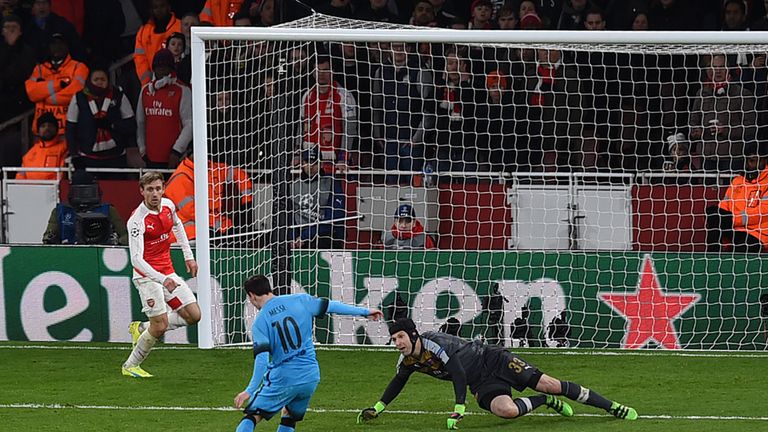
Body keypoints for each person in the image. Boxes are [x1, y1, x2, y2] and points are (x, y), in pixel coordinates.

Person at [358, 319, 638, 429]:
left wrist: (458, 408)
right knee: (506, 411)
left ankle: (613, 407)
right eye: (394, 339)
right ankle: (543, 402)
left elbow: (456, 372)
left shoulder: (433, 343)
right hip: (481, 381)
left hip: (494, 359)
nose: (398, 343)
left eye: (400, 337)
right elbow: (398, 381)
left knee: (552, 384)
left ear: (414, 335)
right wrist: (378, 408)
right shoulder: (407, 360)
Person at [233, 274, 383, 432]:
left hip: (284, 377)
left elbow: (262, 361)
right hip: (310, 377)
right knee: (289, 415)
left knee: (253, 415)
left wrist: (249, 390)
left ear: (251, 295)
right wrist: (365, 311)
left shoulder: (260, 322)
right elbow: (332, 306)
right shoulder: (300, 300)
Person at [121, 171, 198, 378]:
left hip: (167, 271)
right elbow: (136, 260)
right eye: (149, 190)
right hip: (146, 276)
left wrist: (188, 256)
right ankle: (130, 365)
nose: (155, 193)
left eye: (158, 188)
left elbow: (178, 225)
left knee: (194, 315)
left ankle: (142, 328)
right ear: (141, 191)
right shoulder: (137, 221)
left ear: (163, 189)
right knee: (161, 325)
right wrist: (163, 279)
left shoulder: (168, 206)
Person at [65, 64, 142, 171]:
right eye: (96, 79)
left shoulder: (118, 95)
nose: (99, 82)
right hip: (87, 157)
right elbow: (70, 128)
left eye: (103, 79)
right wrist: (74, 155)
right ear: (89, 81)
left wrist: (112, 125)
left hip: (116, 157)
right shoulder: (79, 97)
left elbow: (131, 125)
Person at [706, 142, 768, 253]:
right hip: (735, 228)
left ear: (764, 160)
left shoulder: (766, 182)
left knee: (741, 250)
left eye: (755, 160)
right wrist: (725, 217)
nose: (751, 164)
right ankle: (711, 256)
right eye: (749, 160)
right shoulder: (737, 181)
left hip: (757, 233)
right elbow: (724, 205)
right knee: (713, 212)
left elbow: (762, 213)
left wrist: (733, 219)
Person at [136, 48, 192, 169]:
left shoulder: (182, 90)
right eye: (158, 65)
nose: (161, 68)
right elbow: (140, 123)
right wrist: (142, 149)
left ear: (171, 68)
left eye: (165, 65)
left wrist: (177, 151)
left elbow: (189, 124)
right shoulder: (145, 90)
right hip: (151, 157)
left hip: (175, 158)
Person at [24, 33, 88, 135]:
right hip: (43, 132)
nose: (57, 47)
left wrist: (45, 96)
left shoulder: (79, 67)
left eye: (61, 43)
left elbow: (76, 93)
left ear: (67, 46)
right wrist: (59, 85)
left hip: (71, 130)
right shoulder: (39, 69)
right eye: (53, 43)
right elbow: (31, 93)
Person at [42, 170, 127, 245]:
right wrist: (51, 239)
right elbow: (48, 237)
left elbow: (125, 236)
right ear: (72, 191)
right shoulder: (61, 211)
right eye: (80, 191)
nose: (84, 194)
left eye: (88, 191)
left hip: (101, 252)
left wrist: (116, 242)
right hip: (68, 253)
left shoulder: (108, 210)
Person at [289, 146, 346, 249]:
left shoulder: (331, 183)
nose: (311, 166)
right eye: (307, 162)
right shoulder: (293, 186)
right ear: (302, 163)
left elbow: (335, 215)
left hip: (324, 235)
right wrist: (293, 237)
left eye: (315, 162)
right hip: (299, 237)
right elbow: (290, 215)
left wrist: (305, 236)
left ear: (321, 164)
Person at [134, 0, 181, 86]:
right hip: (151, 83)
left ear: (169, 7)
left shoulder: (180, 26)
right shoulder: (143, 31)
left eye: (162, 6)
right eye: (155, 7)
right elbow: (140, 59)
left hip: (176, 81)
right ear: (151, 10)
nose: (159, 10)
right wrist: (147, 82)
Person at [0, 14, 36, 123]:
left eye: (14, 27)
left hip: (21, 100)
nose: (11, 30)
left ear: (20, 31)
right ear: (2, 31)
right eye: (7, 27)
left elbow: (25, 72)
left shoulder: (28, 52)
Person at [18, 111, 67, 180]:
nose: (47, 128)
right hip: (28, 189)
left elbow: (63, 175)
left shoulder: (64, 148)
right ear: (38, 131)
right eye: (43, 126)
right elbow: (20, 176)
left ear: (56, 129)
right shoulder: (30, 153)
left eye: (50, 125)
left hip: (53, 189)